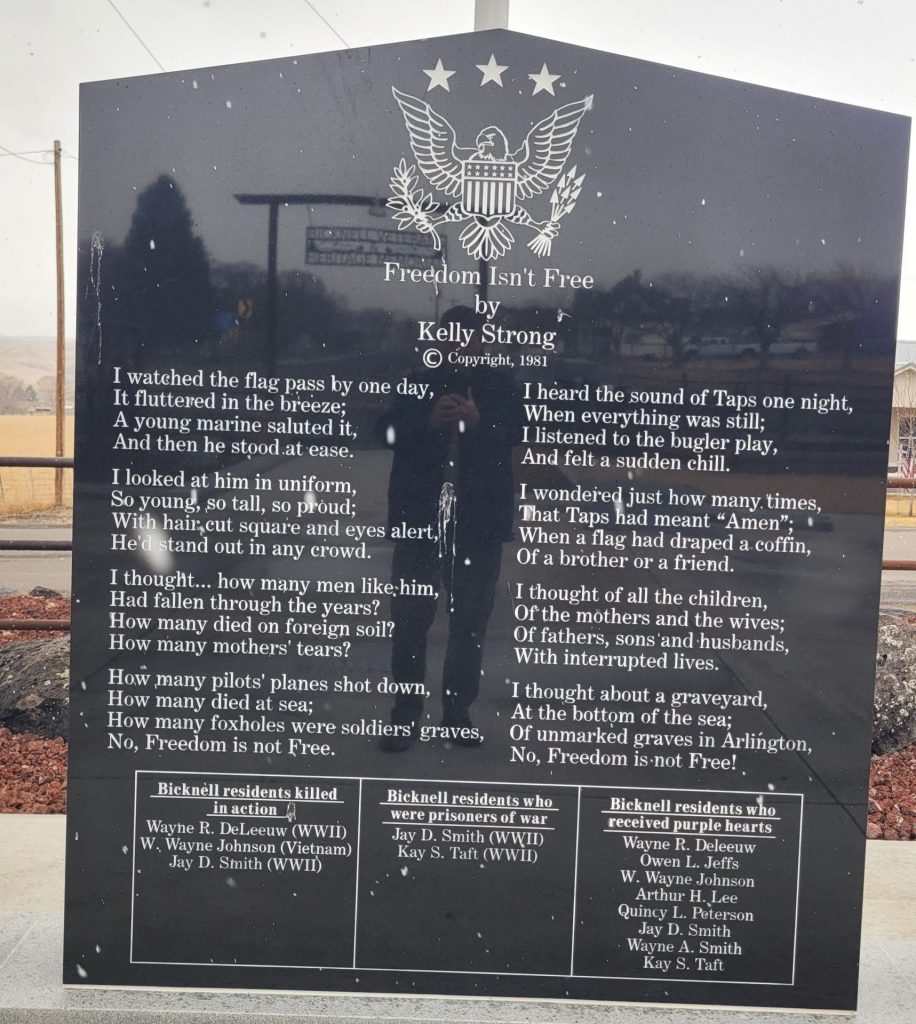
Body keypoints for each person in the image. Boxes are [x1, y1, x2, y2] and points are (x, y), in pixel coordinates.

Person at [375, 305, 523, 751]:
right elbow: (382, 431)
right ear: (438, 340)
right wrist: (427, 421)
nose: (458, 345)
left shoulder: (500, 385)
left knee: (469, 622)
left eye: (468, 338)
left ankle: (457, 713)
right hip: (421, 518)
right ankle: (405, 714)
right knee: (409, 622)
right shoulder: (418, 382)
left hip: (478, 522)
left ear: (483, 342)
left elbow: (515, 431)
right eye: (451, 337)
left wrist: (478, 423)